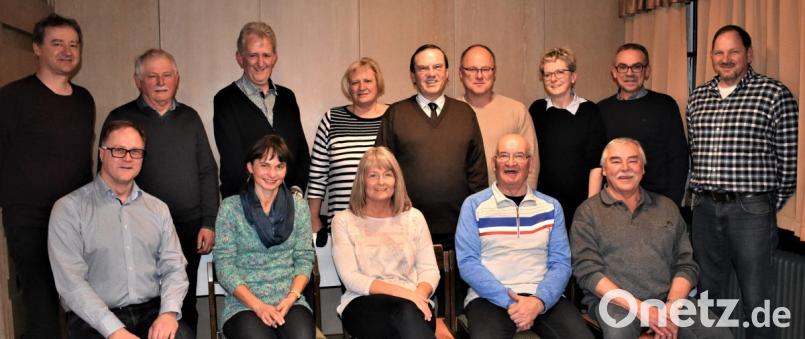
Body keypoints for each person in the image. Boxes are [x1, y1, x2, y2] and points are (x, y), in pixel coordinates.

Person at [687, 25, 799, 339]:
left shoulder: (774, 94)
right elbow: (695, 153)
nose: (725, 59)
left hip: (751, 211)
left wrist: (760, 206)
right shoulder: (698, 98)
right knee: (708, 294)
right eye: (719, 52)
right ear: (711, 56)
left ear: (748, 55)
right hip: (705, 209)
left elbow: (789, 166)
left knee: (756, 297)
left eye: (733, 51)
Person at [104, 48, 219, 335]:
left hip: (188, 226)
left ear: (176, 78)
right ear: (137, 80)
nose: (160, 82)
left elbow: (207, 171)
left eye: (166, 75)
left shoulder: (190, 118)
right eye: (152, 76)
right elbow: (107, 174)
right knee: (144, 299)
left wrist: (208, 222)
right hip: (138, 228)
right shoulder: (121, 119)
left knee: (185, 297)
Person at [571, 138, 731, 339]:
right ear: (603, 169)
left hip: (669, 301)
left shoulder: (667, 208)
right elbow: (588, 272)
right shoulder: (588, 213)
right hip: (614, 303)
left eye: (633, 160)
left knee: (719, 334)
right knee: (619, 334)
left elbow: (686, 265)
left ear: (643, 169)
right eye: (616, 161)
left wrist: (671, 308)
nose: (625, 168)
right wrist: (642, 310)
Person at [48, 120, 192, 339]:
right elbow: (71, 284)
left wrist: (169, 313)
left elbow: (174, 268)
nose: (127, 158)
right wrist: (114, 331)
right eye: (118, 150)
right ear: (102, 154)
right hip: (94, 318)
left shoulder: (158, 209)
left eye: (135, 151)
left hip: (152, 312)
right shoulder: (69, 209)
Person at [0, 13, 94, 338]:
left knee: (82, 304)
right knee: (41, 311)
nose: (67, 51)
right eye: (57, 43)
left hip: (76, 219)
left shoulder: (84, 100)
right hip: (31, 221)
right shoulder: (12, 98)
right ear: (37, 48)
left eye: (73, 44)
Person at [455, 134, 593, 339]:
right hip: (488, 298)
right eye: (504, 156)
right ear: (494, 163)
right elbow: (468, 263)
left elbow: (561, 263)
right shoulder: (474, 205)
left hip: (544, 297)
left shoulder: (551, 207)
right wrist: (513, 303)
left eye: (519, 156)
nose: (511, 163)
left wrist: (538, 302)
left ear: (531, 163)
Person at [376, 43, 487, 247]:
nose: (431, 74)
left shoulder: (465, 114)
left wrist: (477, 219)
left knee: (456, 280)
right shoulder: (395, 114)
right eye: (423, 68)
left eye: (437, 67)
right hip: (406, 227)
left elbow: (477, 173)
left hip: (459, 228)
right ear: (412, 76)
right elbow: (381, 170)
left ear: (446, 73)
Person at [332, 146, 440, 339]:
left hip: (416, 305)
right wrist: (405, 294)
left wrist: (419, 295)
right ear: (361, 181)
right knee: (404, 315)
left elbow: (430, 270)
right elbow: (350, 277)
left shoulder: (414, 217)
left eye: (387, 174)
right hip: (363, 304)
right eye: (373, 175)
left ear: (396, 180)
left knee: (406, 316)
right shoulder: (344, 220)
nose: (381, 182)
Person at [213, 135, 315, 339]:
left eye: (279, 166)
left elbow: (304, 258)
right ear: (250, 167)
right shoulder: (230, 208)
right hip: (244, 304)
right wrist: (258, 306)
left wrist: (292, 297)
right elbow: (224, 266)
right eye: (264, 165)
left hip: (289, 300)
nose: (272, 173)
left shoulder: (299, 207)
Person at [214, 21, 310, 198]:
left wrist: (295, 192)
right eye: (253, 55)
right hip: (244, 206)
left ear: (274, 57)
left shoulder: (288, 98)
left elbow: (301, 153)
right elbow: (233, 163)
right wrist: (264, 202)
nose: (260, 63)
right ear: (240, 58)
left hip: (288, 206)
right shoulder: (225, 100)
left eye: (266, 55)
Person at [597, 43, 689, 204]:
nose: (629, 73)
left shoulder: (665, 105)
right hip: (613, 203)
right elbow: (597, 163)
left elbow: (678, 158)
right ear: (614, 72)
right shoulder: (600, 110)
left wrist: (672, 204)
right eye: (623, 67)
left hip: (657, 202)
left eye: (637, 67)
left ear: (647, 71)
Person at [307, 57, 388, 238]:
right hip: (342, 226)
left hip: (387, 224)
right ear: (348, 88)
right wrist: (313, 217)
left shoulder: (394, 116)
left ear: (378, 84)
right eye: (355, 82)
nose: (361, 87)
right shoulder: (332, 119)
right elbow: (317, 176)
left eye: (367, 81)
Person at [529, 47, 606, 226]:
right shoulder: (537, 109)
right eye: (547, 74)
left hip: (580, 205)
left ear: (573, 77)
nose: (553, 78)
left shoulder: (590, 111)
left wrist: (590, 208)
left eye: (560, 72)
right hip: (542, 205)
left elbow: (596, 165)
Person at [459, 44, 539, 188]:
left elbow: (531, 166)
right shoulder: (451, 112)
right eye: (472, 69)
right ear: (460, 73)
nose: (479, 75)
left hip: (508, 204)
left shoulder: (516, 111)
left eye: (486, 69)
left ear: (494, 73)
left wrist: (523, 204)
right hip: (462, 205)